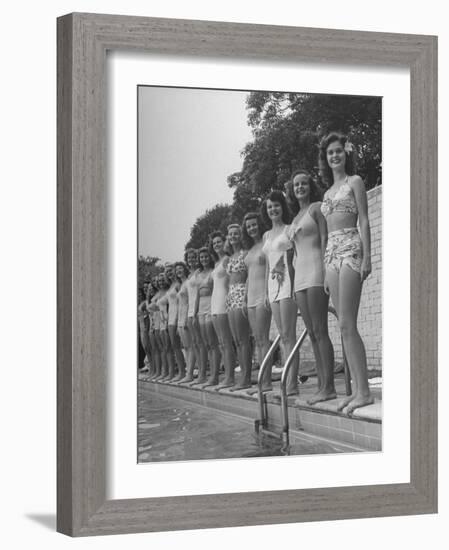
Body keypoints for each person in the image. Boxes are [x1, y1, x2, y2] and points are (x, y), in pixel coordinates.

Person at [318, 131, 374, 414]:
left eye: (338, 151)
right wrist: (326, 269)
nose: (335, 156)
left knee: (349, 324)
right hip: (332, 257)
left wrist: (367, 256)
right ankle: (356, 391)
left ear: (345, 154)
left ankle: (363, 392)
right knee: (342, 326)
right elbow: (326, 234)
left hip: (351, 248)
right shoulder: (326, 193)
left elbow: (364, 220)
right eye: (330, 153)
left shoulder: (355, 182)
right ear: (325, 159)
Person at [286, 170, 336, 404]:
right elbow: (293, 254)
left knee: (320, 331)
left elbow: (325, 239)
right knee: (312, 335)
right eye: (296, 184)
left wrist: (327, 272)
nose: (300, 187)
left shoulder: (316, 208)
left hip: (316, 271)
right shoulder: (295, 217)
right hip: (300, 279)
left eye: (304, 183)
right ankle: (322, 385)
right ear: (292, 189)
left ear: (310, 186)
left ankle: (329, 387)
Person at [261, 190, 299, 396]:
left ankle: (292, 384)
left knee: (290, 335)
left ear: (282, 206)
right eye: (269, 207)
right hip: (272, 286)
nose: (273, 209)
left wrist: (293, 287)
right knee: (282, 335)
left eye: (276, 205)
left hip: (287, 283)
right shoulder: (266, 235)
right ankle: (288, 380)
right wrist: (266, 294)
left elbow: (294, 260)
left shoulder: (289, 229)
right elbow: (268, 265)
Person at [241, 212, 273, 393]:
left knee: (263, 339)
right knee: (258, 340)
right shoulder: (251, 249)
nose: (252, 228)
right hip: (251, 298)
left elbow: (270, 267)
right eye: (248, 226)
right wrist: (245, 298)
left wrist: (268, 293)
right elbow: (248, 276)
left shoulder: (266, 243)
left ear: (259, 224)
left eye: (254, 224)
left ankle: (266, 382)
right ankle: (263, 381)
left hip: (262, 295)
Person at [226, 224, 252, 391]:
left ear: (240, 235)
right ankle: (242, 375)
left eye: (236, 233)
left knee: (243, 339)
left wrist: (245, 297)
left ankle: (247, 378)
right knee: (236, 340)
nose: (233, 236)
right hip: (230, 296)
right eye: (231, 234)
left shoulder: (245, 254)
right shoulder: (229, 257)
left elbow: (249, 276)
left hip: (241, 292)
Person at [209, 230, 236, 389]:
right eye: (214, 243)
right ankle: (226, 376)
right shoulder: (216, 263)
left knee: (226, 342)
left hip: (223, 302)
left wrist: (229, 300)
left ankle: (230, 377)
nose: (217, 245)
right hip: (214, 303)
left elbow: (231, 280)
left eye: (219, 242)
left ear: (223, 243)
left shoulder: (226, 259)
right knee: (221, 343)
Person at [195, 247, 221, 387]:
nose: (203, 259)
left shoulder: (213, 271)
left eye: (206, 257)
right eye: (201, 257)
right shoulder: (198, 274)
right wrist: (194, 312)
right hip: (201, 308)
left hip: (211, 304)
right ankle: (209, 374)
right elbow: (197, 296)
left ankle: (215, 375)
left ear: (209, 257)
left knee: (213, 343)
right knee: (206, 344)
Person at [164, 263, 186, 382]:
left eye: (170, 270)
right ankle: (181, 371)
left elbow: (181, 302)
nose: (169, 273)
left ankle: (182, 372)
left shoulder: (178, 285)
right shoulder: (171, 285)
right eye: (167, 271)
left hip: (176, 318)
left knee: (177, 346)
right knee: (174, 346)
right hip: (170, 319)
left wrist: (178, 320)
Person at [174, 261, 191, 382]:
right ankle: (188, 372)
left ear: (185, 269)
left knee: (190, 347)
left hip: (186, 316)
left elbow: (190, 300)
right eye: (177, 270)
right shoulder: (180, 285)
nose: (178, 271)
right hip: (180, 318)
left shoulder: (188, 282)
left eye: (180, 269)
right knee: (185, 347)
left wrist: (185, 319)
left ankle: (190, 373)